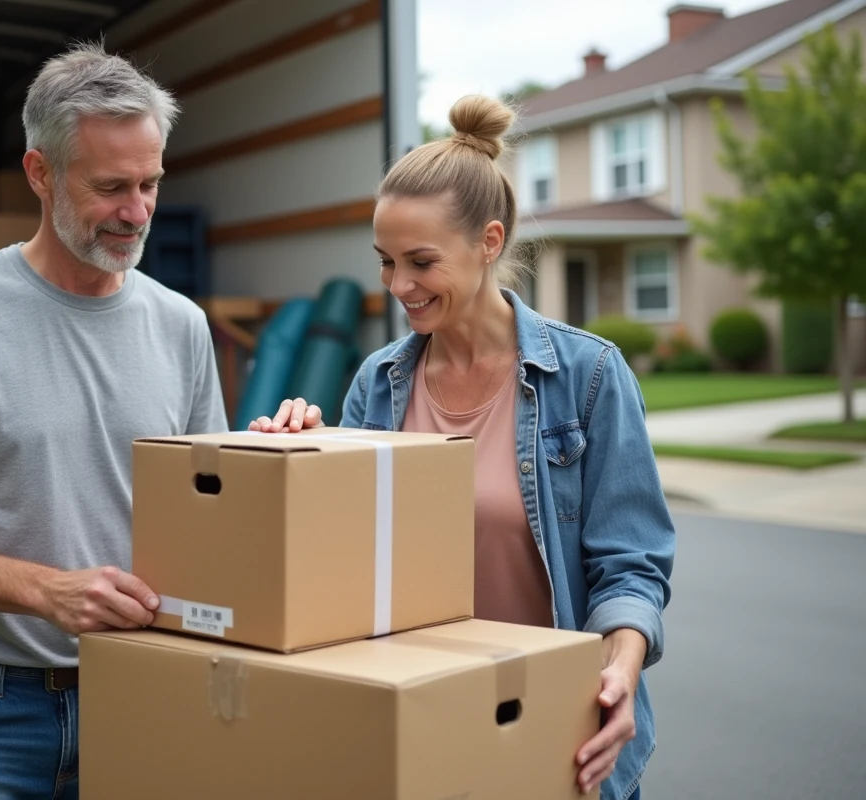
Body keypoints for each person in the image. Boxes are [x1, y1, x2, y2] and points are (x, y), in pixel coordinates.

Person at [250, 95, 674, 800]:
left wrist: (621, 672)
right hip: (420, 728)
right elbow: (351, 575)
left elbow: (631, 568)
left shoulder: (589, 377)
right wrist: (308, 458)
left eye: (420, 261)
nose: (398, 287)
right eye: (386, 263)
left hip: (557, 731)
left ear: (489, 241)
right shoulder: (379, 384)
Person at [0, 42, 227, 799]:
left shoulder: (182, 325)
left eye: (150, 182)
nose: (138, 211)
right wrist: (45, 591)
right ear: (40, 172)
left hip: (140, 696)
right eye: (111, 186)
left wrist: (281, 455)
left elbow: (206, 513)